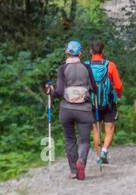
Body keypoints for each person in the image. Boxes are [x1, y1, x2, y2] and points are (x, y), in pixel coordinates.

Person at [48, 39, 97, 180]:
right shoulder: (86, 68)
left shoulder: (63, 69)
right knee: (84, 140)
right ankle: (81, 160)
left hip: (67, 110)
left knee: (70, 139)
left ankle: (74, 171)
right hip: (84, 110)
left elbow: (59, 92)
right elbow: (94, 88)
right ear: (80, 53)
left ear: (67, 52)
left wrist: (50, 91)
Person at [88, 37, 123, 166]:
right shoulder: (110, 65)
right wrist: (118, 95)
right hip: (108, 102)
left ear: (91, 51)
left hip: (92, 103)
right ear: (102, 51)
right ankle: (104, 151)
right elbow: (118, 86)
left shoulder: (86, 65)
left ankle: (98, 158)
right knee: (110, 128)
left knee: (96, 129)